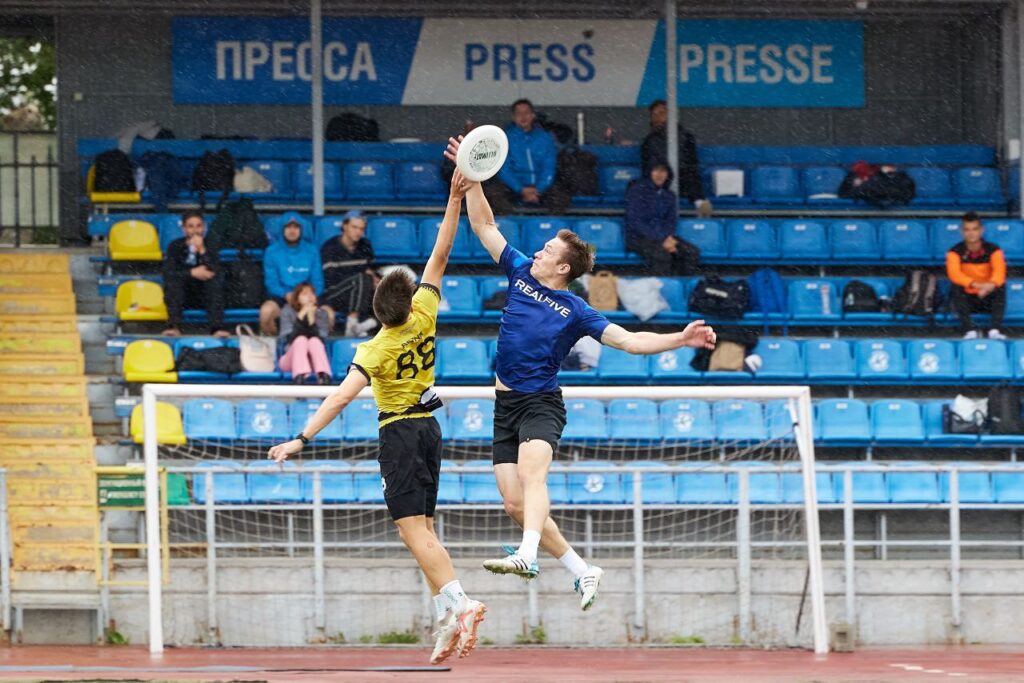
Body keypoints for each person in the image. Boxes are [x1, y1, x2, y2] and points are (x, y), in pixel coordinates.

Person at [447, 135, 717, 610]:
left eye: (547, 249)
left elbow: (630, 342)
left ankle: (528, 555)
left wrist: (679, 338)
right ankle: (582, 570)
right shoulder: (520, 272)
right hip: (504, 405)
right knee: (513, 504)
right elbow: (484, 224)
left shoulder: (576, 310)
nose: (538, 251)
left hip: (540, 404)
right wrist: (474, 176)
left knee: (533, 478)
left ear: (563, 267)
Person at [269, 168, 485, 666]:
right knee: (423, 528)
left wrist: (302, 437)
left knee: (411, 531)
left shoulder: (375, 348)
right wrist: (454, 198)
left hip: (399, 432)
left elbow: (339, 399)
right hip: (430, 428)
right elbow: (440, 252)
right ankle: (445, 616)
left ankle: (461, 602)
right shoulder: (425, 313)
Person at [483, 99, 570, 215]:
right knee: (492, 194)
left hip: (540, 186)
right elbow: (503, 169)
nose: (523, 116)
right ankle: (511, 224)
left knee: (560, 197)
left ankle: (548, 225)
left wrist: (539, 189)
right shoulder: (505, 138)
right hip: (512, 186)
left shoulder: (545, 138)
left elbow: (549, 167)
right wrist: (520, 189)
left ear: (533, 115)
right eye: (519, 113)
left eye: (526, 113)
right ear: (513, 117)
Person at [624, 161, 699, 276]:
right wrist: (661, 239)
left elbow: (671, 221)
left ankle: (683, 284)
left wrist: (667, 238)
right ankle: (661, 285)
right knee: (662, 254)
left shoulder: (669, 196)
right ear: (649, 172)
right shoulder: (637, 191)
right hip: (638, 238)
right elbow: (635, 222)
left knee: (691, 252)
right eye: (656, 170)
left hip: (664, 237)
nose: (660, 174)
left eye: (663, 171)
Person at [161, 210, 228, 338]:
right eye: (190, 226)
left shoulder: (211, 245)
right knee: (174, 282)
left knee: (214, 283)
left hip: (204, 294)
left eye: (198, 226)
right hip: (183, 295)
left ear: (204, 228)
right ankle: (173, 327)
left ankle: (216, 328)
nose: (195, 230)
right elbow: (168, 273)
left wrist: (202, 250)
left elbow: (215, 270)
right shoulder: (175, 246)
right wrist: (191, 273)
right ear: (184, 229)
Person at [640, 100, 711, 217]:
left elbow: (692, 164)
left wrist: (674, 171)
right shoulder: (649, 141)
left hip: (683, 180)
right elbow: (646, 167)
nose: (657, 117)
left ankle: (699, 203)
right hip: (660, 181)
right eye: (654, 114)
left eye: (662, 113)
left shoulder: (686, 137)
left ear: (671, 114)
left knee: (690, 174)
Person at [259, 213, 326, 336]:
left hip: (307, 296)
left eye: (296, 227)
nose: (292, 230)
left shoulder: (312, 250)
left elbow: (318, 281)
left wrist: (308, 297)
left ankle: (315, 343)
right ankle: (278, 343)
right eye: (288, 227)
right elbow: (271, 283)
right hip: (282, 297)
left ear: (301, 229)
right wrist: (286, 294)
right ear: (282, 229)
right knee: (266, 312)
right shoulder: (271, 251)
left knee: (329, 315)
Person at [946, 211, 1007, 339]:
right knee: (956, 287)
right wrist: (978, 285)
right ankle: (969, 330)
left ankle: (994, 330)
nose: (971, 233)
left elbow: (1000, 272)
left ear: (981, 230)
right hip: (968, 298)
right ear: (962, 232)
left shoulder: (993, 249)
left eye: (975, 229)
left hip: (987, 297)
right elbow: (954, 274)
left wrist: (989, 286)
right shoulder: (954, 251)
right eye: (967, 229)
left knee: (1000, 286)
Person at [320, 210, 379, 337]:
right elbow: (331, 281)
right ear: (344, 226)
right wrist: (359, 277)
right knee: (362, 279)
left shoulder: (365, 245)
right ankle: (352, 325)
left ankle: (365, 326)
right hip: (335, 294)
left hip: (360, 291)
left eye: (361, 229)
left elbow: (369, 270)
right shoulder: (330, 247)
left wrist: (375, 280)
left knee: (387, 289)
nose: (358, 232)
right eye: (354, 227)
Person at [278, 281, 332, 385]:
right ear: (297, 298)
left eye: (312, 293)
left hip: (314, 363)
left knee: (314, 341)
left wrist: (311, 319)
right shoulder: (287, 311)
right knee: (301, 340)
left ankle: (323, 376)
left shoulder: (321, 313)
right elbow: (289, 338)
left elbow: (321, 338)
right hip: (290, 360)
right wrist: (301, 316)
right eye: (305, 294)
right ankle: (299, 377)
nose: (310, 297)